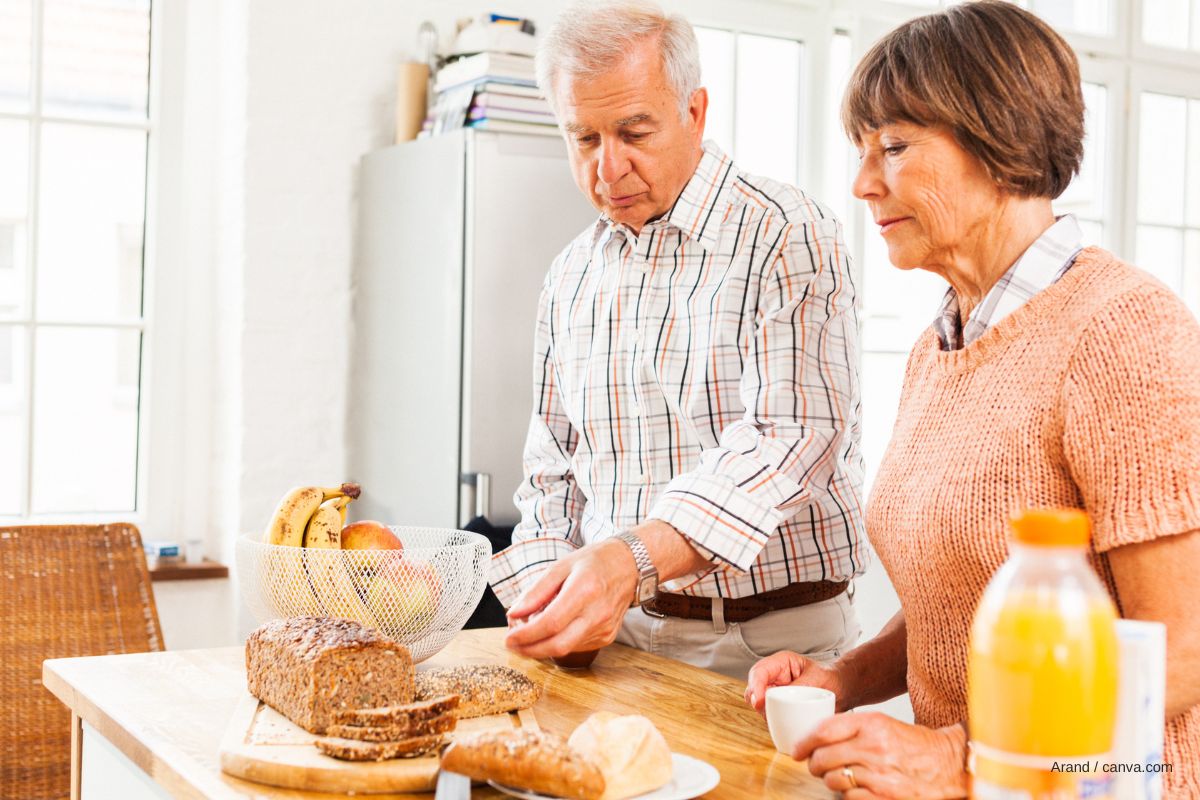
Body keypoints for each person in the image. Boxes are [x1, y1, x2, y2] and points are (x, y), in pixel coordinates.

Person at [745, 1, 1200, 795]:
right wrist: (844, 680)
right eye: (861, 150)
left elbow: (1185, 647)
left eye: (893, 146)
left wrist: (960, 758)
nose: (861, 182)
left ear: (1002, 141)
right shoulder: (940, 344)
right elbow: (955, 598)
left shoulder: (1124, 328)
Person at [488, 0, 867, 681]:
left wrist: (629, 561)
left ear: (695, 111)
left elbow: (791, 438)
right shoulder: (570, 273)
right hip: (622, 638)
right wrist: (551, 595)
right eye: (583, 139)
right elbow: (552, 463)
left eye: (635, 131)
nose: (608, 169)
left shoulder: (787, 232)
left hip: (772, 643)